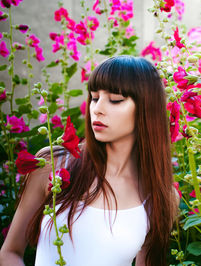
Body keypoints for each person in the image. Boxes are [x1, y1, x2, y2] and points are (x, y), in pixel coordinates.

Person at [0, 56, 178, 266]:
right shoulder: (54, 165)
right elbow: (10, 252)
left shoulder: (161, 196)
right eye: (94, 98)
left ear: (146, 109)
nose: (97, 109)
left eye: (115, 100)